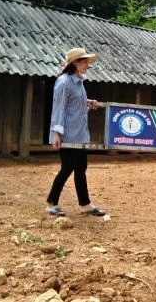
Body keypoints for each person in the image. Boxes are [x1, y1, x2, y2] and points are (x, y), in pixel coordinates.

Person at [46, 47, 106, 217]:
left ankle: (85, 204)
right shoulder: (64, 82)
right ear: (75, 63)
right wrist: (56, 133)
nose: (87, 64)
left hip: (79, 133)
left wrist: (88, 102)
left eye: (87, 61)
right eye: (84, 61)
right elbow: (59, 107)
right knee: (67, 168)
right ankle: (52, 203)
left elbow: (75, 101)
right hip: (68, 134)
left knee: (81, 167)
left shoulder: (78, 82)